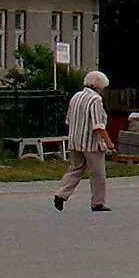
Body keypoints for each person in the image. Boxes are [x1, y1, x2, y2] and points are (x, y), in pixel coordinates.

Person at [53, 69, 114, 212]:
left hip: (74, 140)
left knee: (75, 169)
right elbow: (98, 126)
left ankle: (61, 194)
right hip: (91, 143)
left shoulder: (76, 97)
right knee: (97, 173)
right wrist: (109, 142)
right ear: (98, 86)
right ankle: (97, 202)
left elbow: (68, 120)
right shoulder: (96, 100)